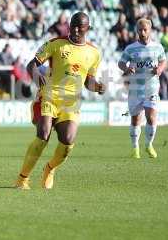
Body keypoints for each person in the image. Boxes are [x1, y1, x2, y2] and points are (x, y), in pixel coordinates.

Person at [15, 12, 105, 190]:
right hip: (50, 95)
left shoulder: (94, 53)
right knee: (43, 135)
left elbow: (88, 81)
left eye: (81, 26)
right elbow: (31, 65)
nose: (76, 29)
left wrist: (98, 87)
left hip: (71, 101)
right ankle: (22, 179)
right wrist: (35, 76)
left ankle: (50, 169)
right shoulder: (56, 44)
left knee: (68, 140)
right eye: (73, 25)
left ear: (88, 28)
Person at [118, 18, 166, 159]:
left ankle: (149, 144)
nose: (142, 32)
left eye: (145, 29)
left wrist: (160, 70)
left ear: (150, 30)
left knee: (151, 117)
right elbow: (121, 63)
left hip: (151, 88)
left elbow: (163, 61)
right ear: (136, 30)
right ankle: (135, 148)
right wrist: (127, 68)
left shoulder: (158, 47)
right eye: (140, 29)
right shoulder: (130, 48)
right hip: (135, 89)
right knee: (135, 120)